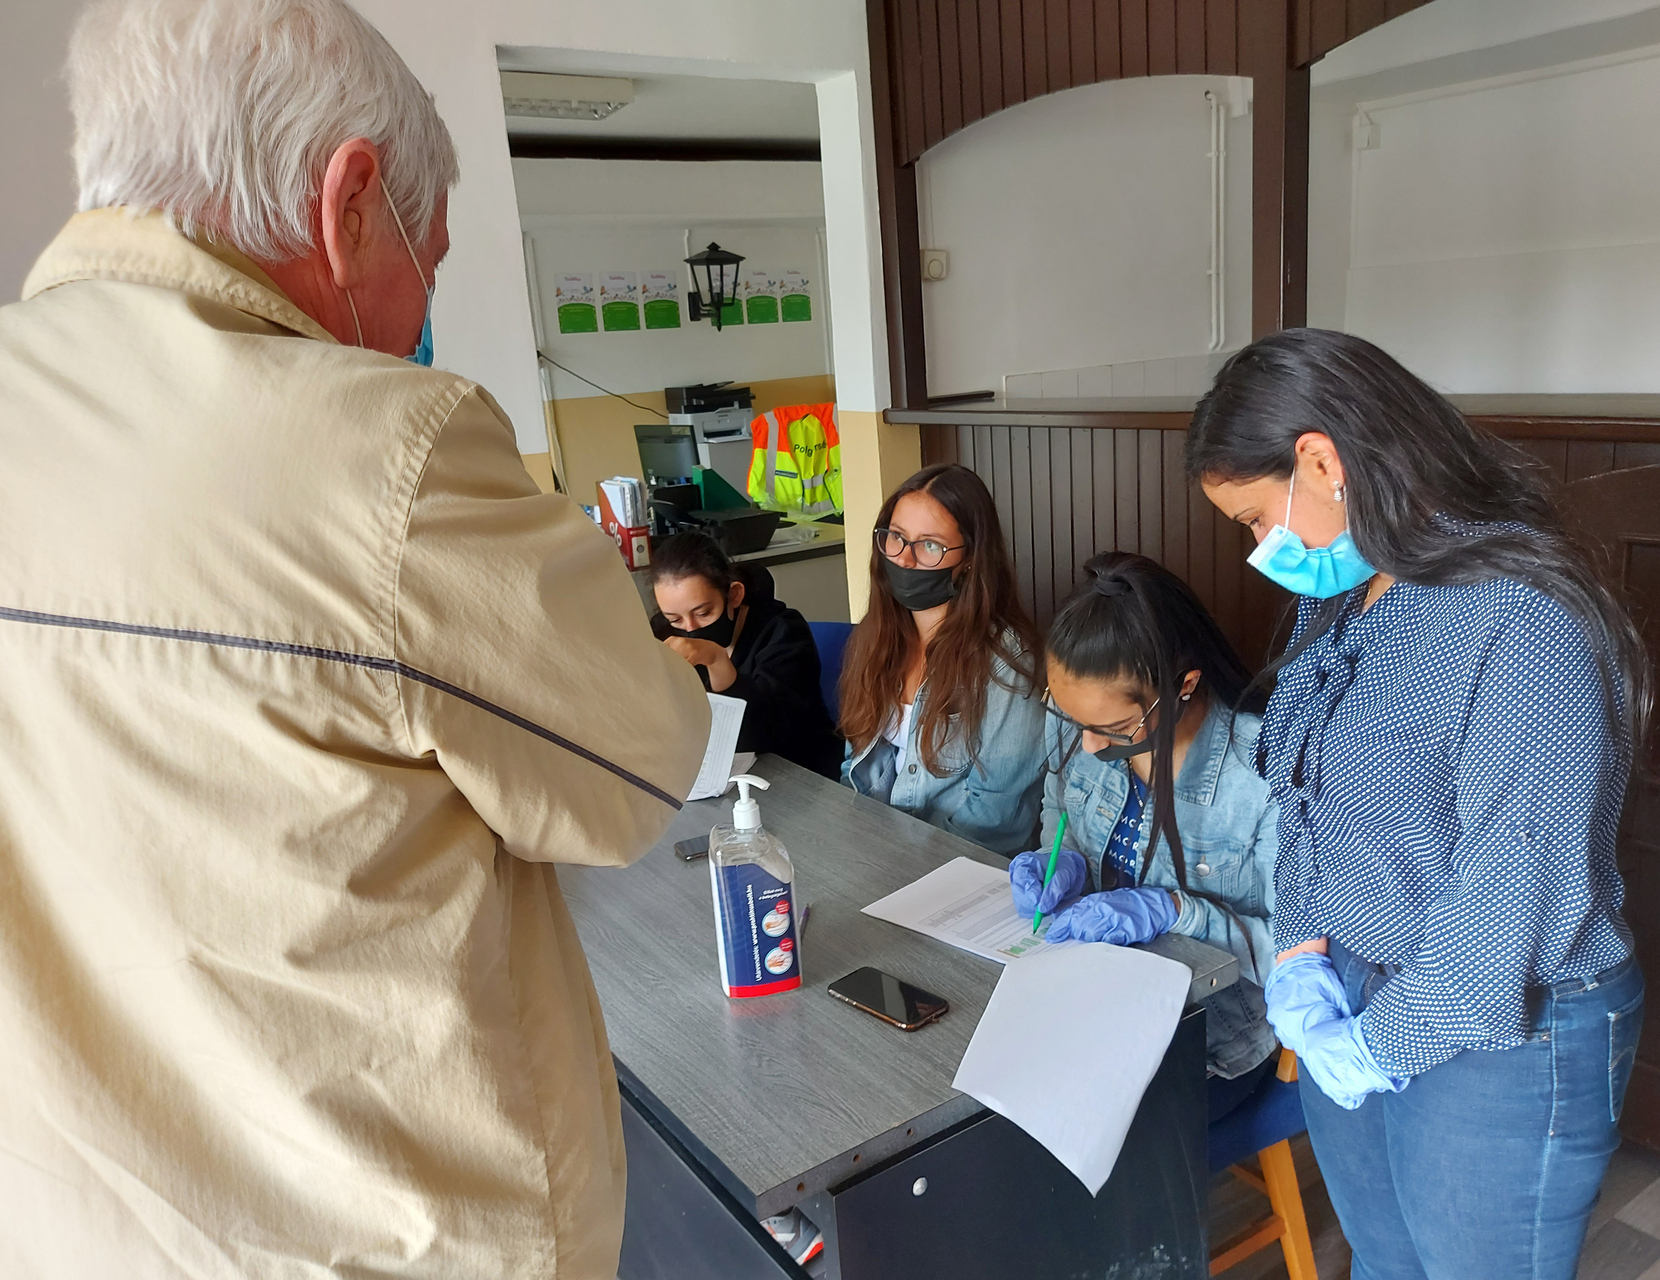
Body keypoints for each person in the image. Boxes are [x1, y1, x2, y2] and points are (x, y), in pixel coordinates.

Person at [0, 2, 710, 1277]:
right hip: (385, 1237)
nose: (421, 312)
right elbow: (636, 767)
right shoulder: (382, 449)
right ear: (350, 203)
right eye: (428, 262)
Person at [1188, 327, 1648, 1279]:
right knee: (1382, 1259)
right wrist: (1302, 950)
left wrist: (1380, 1043)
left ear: (1322, 461)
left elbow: (1514, 883)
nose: (1260, 549)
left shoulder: (1520, 615)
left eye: (1254, 519)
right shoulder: (1348, 591)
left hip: (1501, 1020)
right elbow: (1307, 793)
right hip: (1356, 979)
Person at [1010, 552, 1278, 1116]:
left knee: (1052, 1114)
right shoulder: (1082, 728)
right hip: (1085, 998)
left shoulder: (1264, 773)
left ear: (1185, 685)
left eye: (1113, 728)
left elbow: (1298, 957)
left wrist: (1176, 911)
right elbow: (1059, 822)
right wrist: (1061, 863)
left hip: (1208, 1039)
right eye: (1072, 718)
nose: (1087, 746)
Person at [840, 464, 1046, 854]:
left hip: (957, 864)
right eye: (896, 537)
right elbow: (854, 768)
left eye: (930, 546)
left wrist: (906, 865)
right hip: (878, 850)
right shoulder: (874, 635)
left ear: (969, 558)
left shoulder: (1007, 661)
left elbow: (997, 819)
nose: (905, 559)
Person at [650, 529, 842, 779]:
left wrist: (717, 661)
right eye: (675, 618)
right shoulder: (665, 633)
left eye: (704, 613)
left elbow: (765, 733)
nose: (689, 628)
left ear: (734, 596)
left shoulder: (784, 633)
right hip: (714, 773)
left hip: (798, 771)